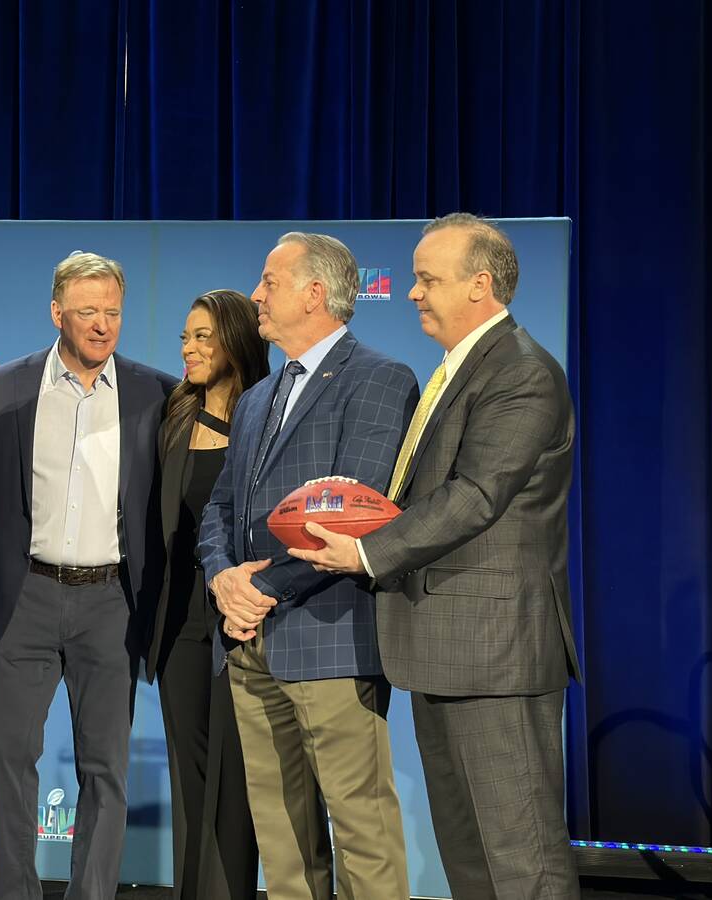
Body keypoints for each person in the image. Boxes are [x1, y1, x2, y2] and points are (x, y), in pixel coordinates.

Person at [289, 213, 583, 898]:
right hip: (445, 648)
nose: (413, 292)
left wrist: (366, 551)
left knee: (521, 861)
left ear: (481, 285)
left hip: (495, 656)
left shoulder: (523, 373)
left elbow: (478, 494)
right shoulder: (459, 368)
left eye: (427, 279)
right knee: (471, 862)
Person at [198, 232, 419, 899]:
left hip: (331, 642)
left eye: (268, 282)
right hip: (248, 644)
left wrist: (259, 587)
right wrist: (221, 577)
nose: (256, 295)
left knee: (362, 836)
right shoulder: (260, 396)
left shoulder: (380, 379)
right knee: (283, 841)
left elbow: (359, 515)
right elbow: (220, 506)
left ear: (314, 293)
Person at [0, 251, 177, 899]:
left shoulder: (157, 393)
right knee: (6, 759)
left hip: (112, 603)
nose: (102, 325)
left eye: (112, 313)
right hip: (24, 597)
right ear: (57, 313)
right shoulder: (1, 388)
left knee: (105, 768)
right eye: (87, 312)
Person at [146, 290, 268, 899]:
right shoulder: (173, 417)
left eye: (202, 337)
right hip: (178, 626)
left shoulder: (267, 416)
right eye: (185, 337)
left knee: (238, 784)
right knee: (189, 780)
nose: (188, 349)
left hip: (244, 620)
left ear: (236, 340)